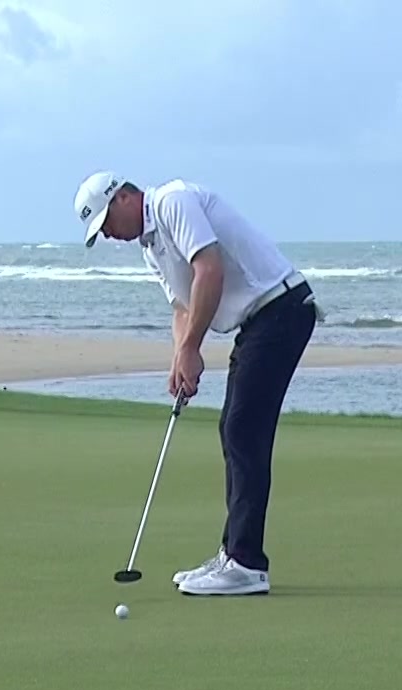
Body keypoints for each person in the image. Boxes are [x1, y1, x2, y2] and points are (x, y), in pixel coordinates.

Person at [74, 171, 319, 597]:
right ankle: (234, 555)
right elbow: (182, 309)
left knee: (242, 430)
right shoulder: (151, 249)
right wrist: (180, 357)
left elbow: (209, 271)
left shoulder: (173, 202)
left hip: (282, 308)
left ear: (124, 197)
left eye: (106, 222)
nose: (109, 234)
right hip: (259, 321)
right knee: (234, 429)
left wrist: (192, 348)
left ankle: (245, 564)